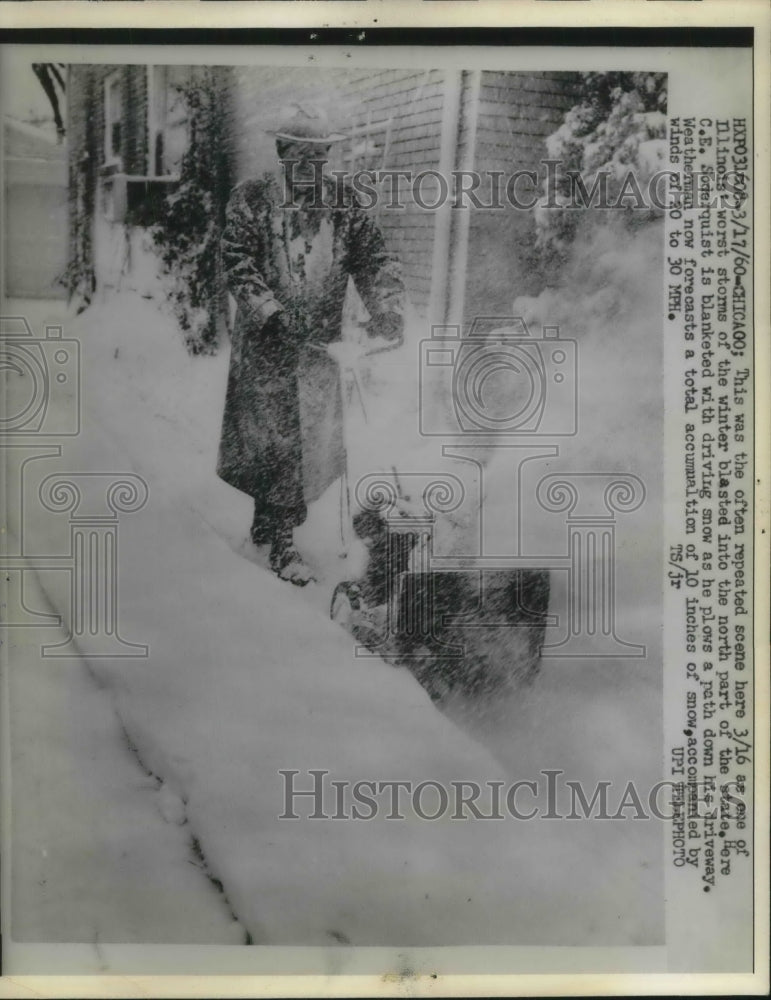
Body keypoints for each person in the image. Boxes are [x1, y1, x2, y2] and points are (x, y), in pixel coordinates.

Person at [217, 103, 405, 585]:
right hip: (266, 348)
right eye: (301, 157)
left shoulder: (342, 204)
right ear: (281, 154)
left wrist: (384, 305)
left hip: (318, 348)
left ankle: (272, 521)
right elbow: (236, 261)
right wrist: (269, 313)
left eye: (320, 157)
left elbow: (373, 257)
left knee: (307, 446)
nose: (311, 168)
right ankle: (281, 542)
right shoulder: (252, 199)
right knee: (276, 441)